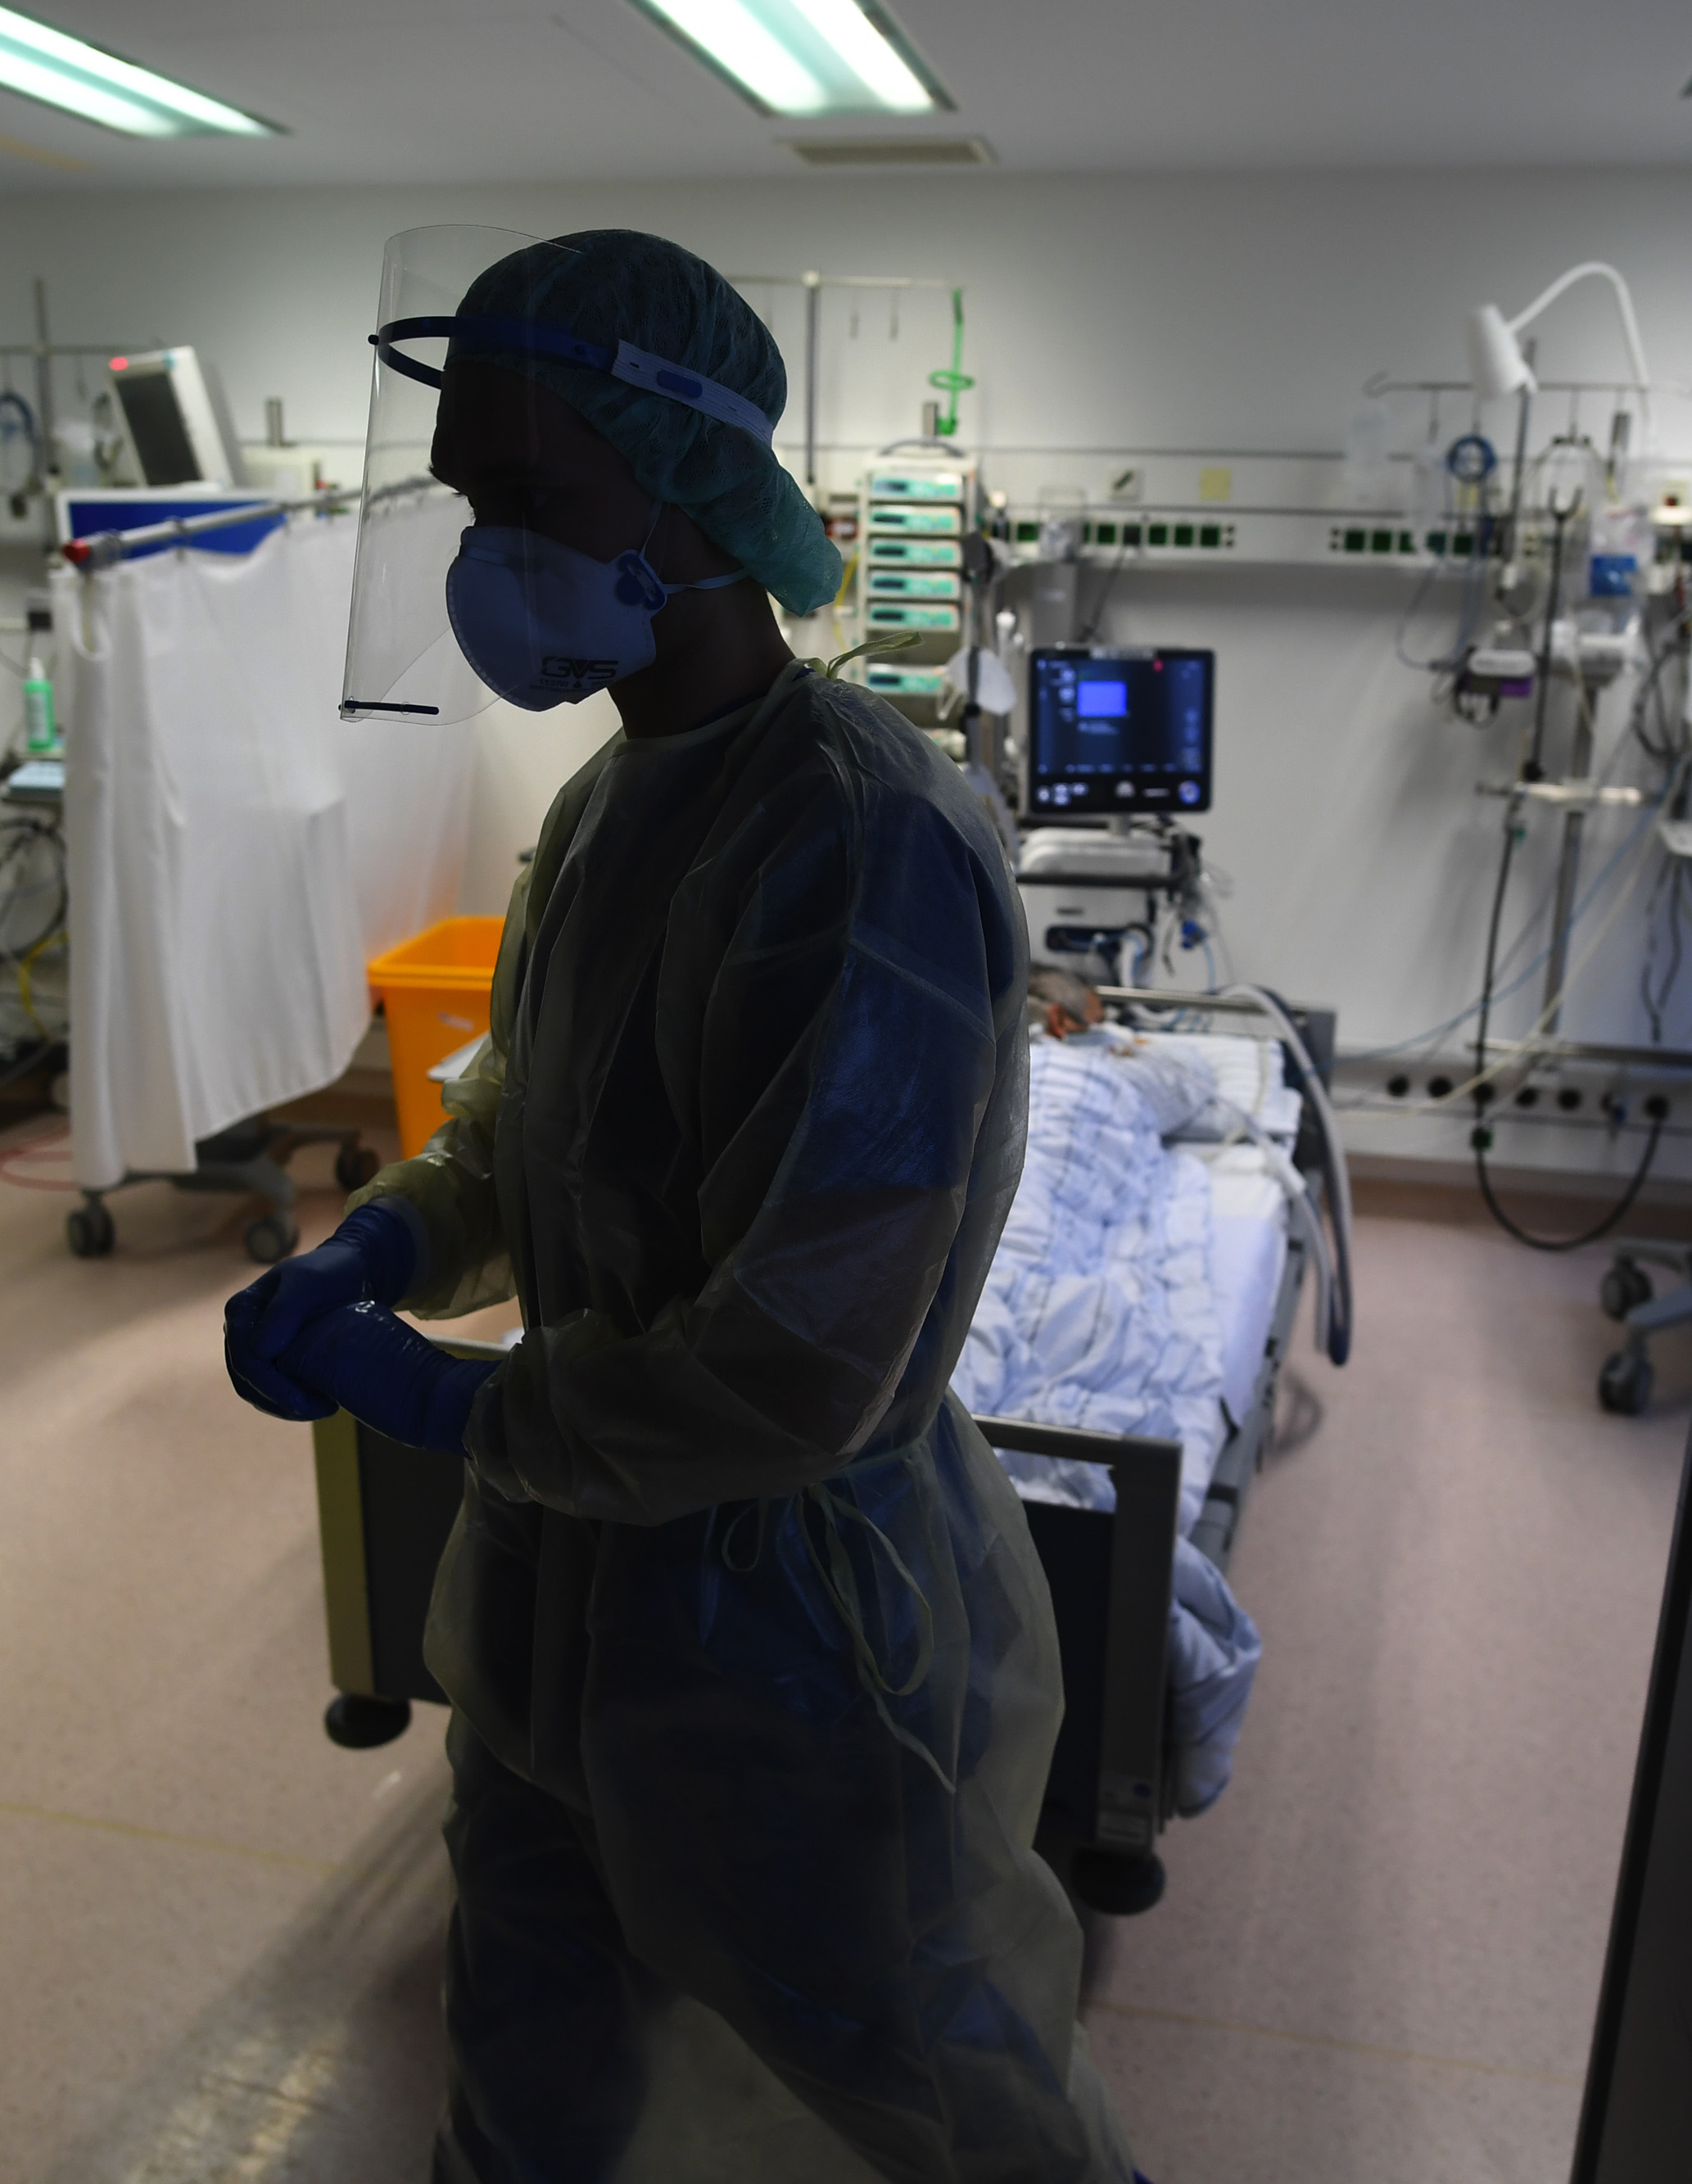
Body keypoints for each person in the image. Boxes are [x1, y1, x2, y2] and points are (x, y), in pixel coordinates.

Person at [222, 228, 1134, 2184]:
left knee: (939, 2097)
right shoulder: (606, 806)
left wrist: (449, 1403)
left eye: (534, 499)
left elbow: (792, 1367)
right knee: (529, 2058)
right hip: (565, 1599)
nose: (489, 556)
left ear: (690, 491)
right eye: (470, 503)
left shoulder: (863, 840)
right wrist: (388, 1240)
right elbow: (520, 1139)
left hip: (795, 1636)